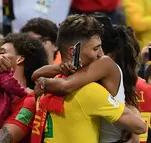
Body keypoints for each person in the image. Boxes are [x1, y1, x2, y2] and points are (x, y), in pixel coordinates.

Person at [31, 14, 146, 143]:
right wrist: (61, 67)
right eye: (96, 48)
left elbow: (64, 85)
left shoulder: (101, 68)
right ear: (73, 52)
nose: (101, 54)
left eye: (100, 47)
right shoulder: (77, 78)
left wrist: (43, 83)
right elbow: (36, 75)